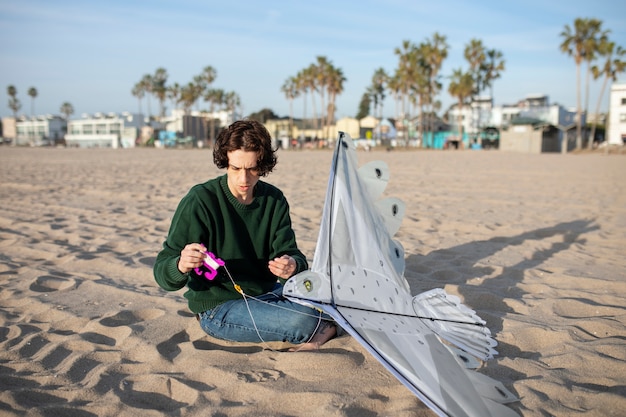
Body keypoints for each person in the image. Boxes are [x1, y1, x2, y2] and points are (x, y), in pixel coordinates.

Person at [153, 119, 335, 350]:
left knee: (329, 302)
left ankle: (322, 327)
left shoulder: (274, 200)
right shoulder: (200, 200)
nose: (244, 179)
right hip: (219, 307)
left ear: (263, 164)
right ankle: (320, 331)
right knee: (304, 320)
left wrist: (292, 266)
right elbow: (162, 272)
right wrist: (180, 265)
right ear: (225, 162)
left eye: (252, 169)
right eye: (236, 168)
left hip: (268, 293)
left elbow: (292, 255)